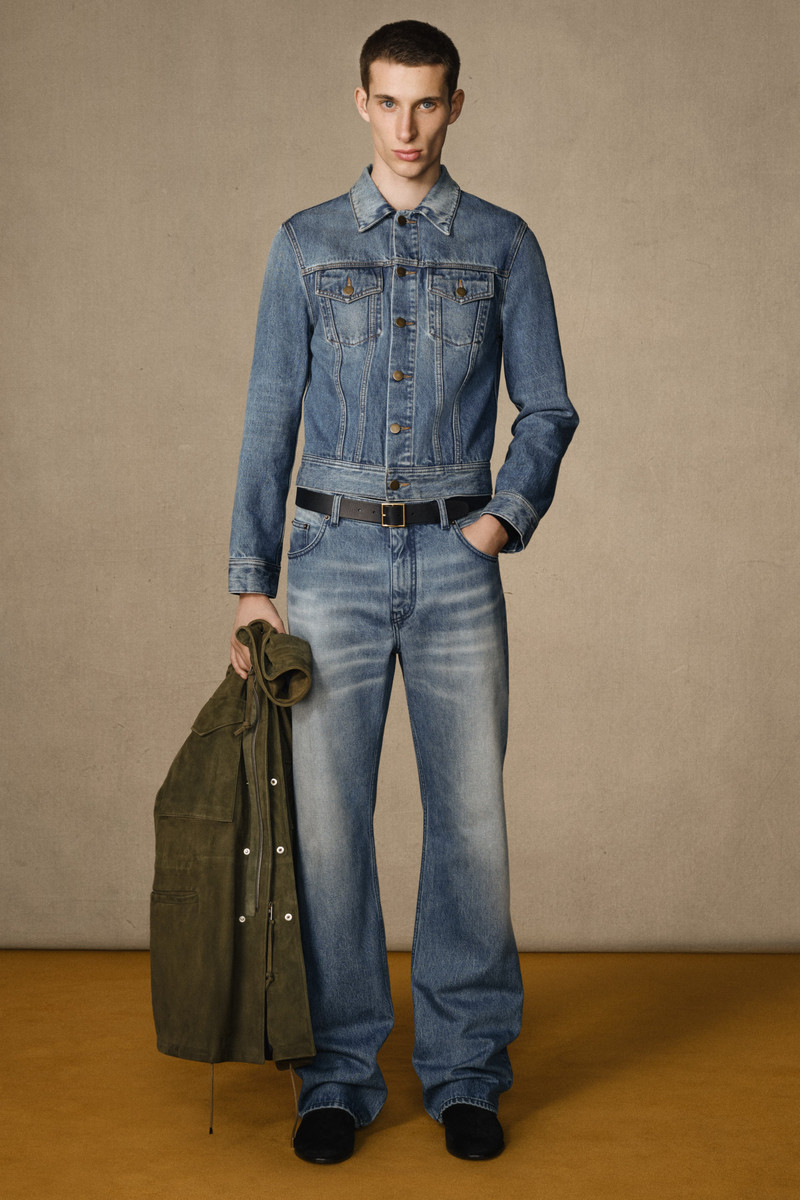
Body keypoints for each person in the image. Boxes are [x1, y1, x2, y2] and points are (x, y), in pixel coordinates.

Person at [227, 19, 578, 1164]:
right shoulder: (304, 244)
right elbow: (268, 420)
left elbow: (548, 407)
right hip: (327, 561)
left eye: (427, 102)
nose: (407, 127)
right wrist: (251, 585)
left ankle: (465, 1071)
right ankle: (335, 1077)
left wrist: (501, 517)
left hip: (452, 564)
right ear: (360, 103)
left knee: (468, 826)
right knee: (328, 832)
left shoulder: (503, 243)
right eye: (388, 101)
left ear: (455, 105)